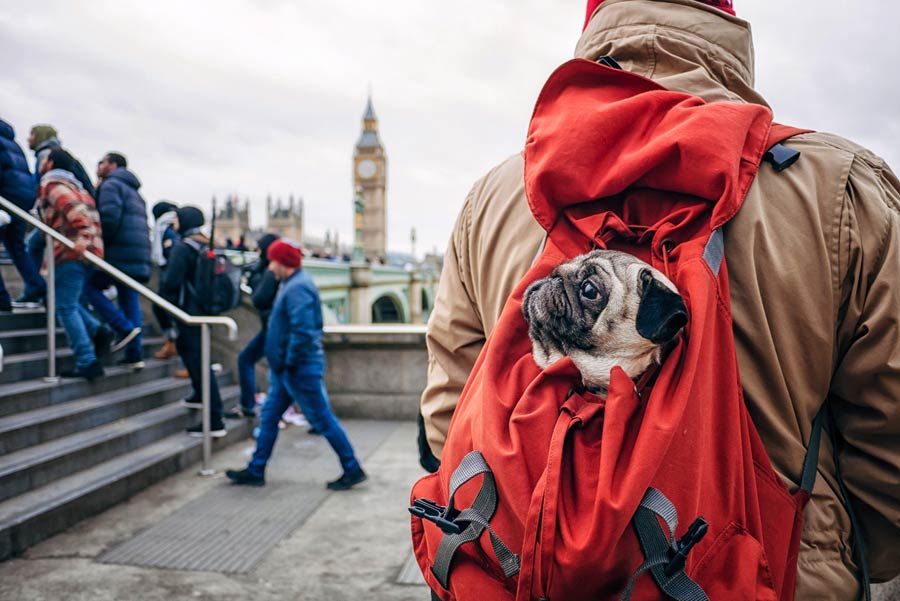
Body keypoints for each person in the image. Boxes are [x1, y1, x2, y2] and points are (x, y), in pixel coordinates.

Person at [419, 1, 900, 598]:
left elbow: (448, 414)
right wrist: (850, 562)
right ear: (723, 18)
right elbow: (890, 438)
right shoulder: (842, 188)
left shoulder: (494, 198)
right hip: (768, 576)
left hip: (531, 576)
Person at [226, 240, 365, 489]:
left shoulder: (297, 288)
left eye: (272, 261)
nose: (269, 267)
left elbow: (303, 331)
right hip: (286, 371)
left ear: (281, 262)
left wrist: (288, 362)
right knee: (268, 418)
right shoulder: (290, 284)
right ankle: (256, 470)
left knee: (323, 420)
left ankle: (352, 468)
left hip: (298, 369)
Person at [35, 148, 105, 380]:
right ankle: (97, 330)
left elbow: (79, 215)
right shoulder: (78, 187)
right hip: (83, 254)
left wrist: (83, 238)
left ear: (50, 163)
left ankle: (87, 361)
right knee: (65, 303)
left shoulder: (53, 184)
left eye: (44, 159)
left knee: (64, 307)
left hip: (70, 252)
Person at [160, 206, 227, 437]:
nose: (174, 224)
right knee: (192, 355)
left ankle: (215, 420)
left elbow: (170, 284)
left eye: (177, 219)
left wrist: (166, 313)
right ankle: (199, 394)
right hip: (205, 311)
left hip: (188, 312)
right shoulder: (206, 244)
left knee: (200, 363)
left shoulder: (183, 247)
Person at [82, 152, 150, 369]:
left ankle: (121, 327)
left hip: (117, 253)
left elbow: (109, 219)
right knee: (129, 298)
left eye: (102, 162)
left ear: (112, 165)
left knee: (87, 288)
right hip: (137, 256)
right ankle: (135, 354)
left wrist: (99, 246)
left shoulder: (111, 185)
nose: (98, 166)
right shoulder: (135, 193)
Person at [18, 124, 95, 304]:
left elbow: (43, 190)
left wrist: (83, 235)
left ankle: (36, 289)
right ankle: (41, 290)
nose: (29, 139)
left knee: (33, 246)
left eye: (32, 134)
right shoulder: (62, 154)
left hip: (63, 219)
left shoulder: (48, 157)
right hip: (69, 217)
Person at [0, 119, 45, 311]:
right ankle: (39, 287)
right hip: (21, 202)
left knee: (16, 247)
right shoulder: (14, 144)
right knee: (17, 247)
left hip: (5, 198)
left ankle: (2, 300)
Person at [236, 232, 280, 417]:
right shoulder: (270, 270)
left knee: (283, 377)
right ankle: (249, 404)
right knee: (246, 360)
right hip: (269, 329)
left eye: (260, 248)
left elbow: (259, 299)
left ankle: (250, 405)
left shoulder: (270, 272)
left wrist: (253, 278)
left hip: (273, 330)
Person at [150, 200, 180, 361]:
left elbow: (170, 254)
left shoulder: (166, 229)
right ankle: (171, 343)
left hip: (170, 279)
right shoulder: (171, 227)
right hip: (170, 278)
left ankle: (171, 343)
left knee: (161, 309)